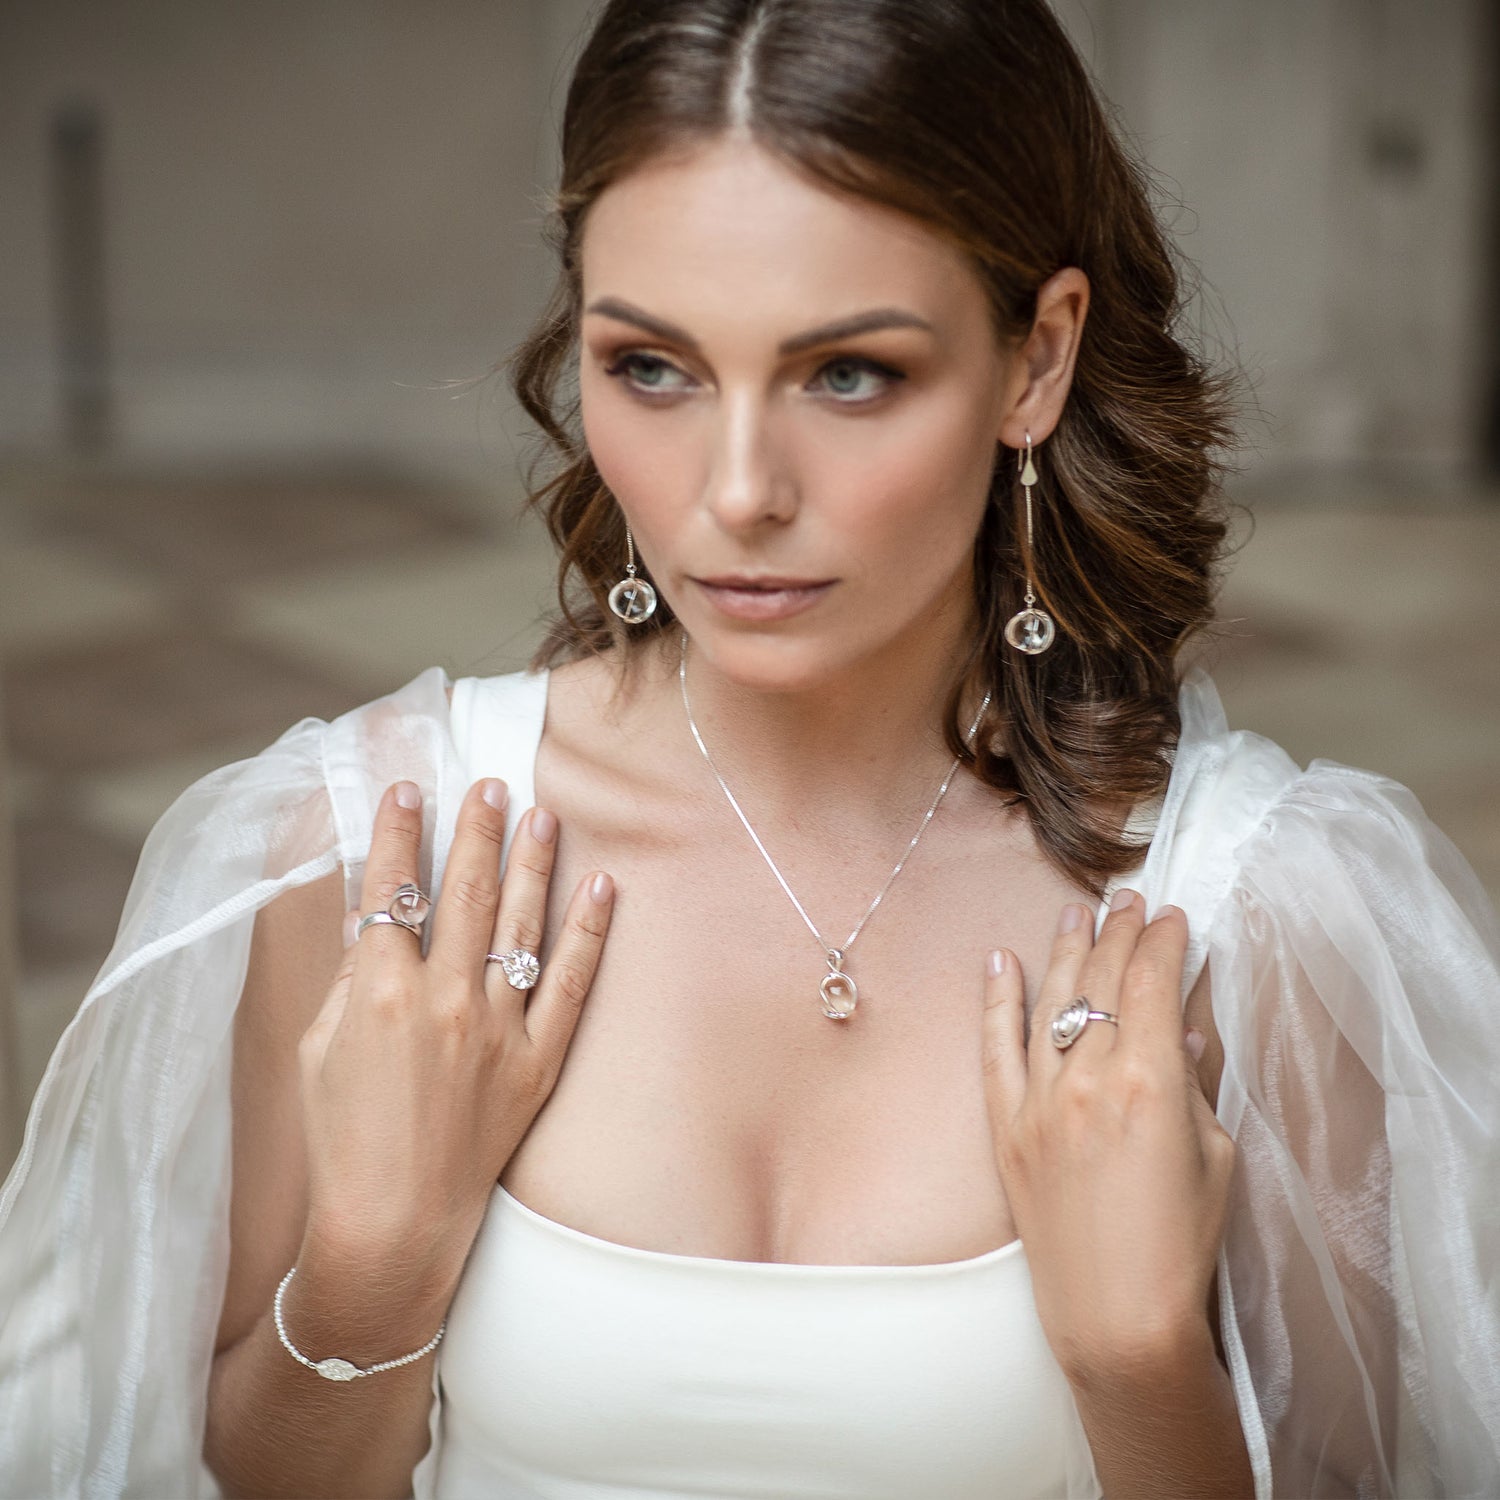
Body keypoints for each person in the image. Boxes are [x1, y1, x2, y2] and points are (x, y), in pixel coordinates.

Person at [2, 0, 1498, 1495]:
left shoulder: (1255, 920)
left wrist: (1141, 1367)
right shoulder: (377, 864)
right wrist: (372, 1266)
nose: (736, 492)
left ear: (1036, 361)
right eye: (653, 367)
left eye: (848, 373)